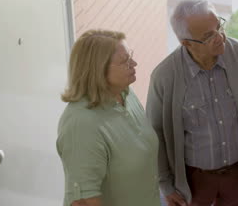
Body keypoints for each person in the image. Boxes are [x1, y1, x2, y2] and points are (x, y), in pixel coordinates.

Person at [146, 0, 238, 206]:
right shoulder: (164, 76)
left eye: (219, 26)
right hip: (194, 181)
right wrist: (166, 184)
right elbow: (156, 134)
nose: (220, 37)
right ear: (186, 43)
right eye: (208, 35)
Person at [56, 30, 160, 206]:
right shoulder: (81, 124)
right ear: (98, 70)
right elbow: (84, 202)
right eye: (125, 61)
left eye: (131, 56)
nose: (134, 63)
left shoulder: (125, 93)